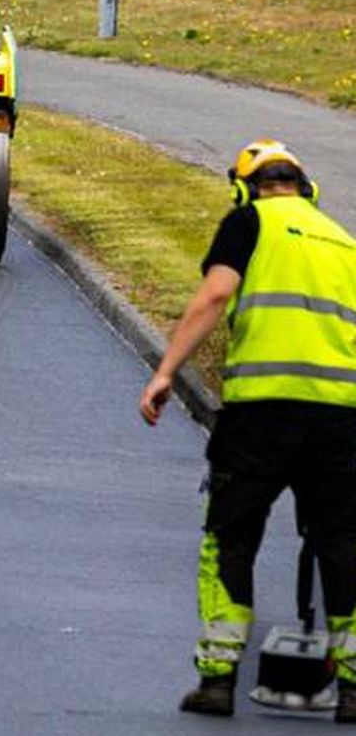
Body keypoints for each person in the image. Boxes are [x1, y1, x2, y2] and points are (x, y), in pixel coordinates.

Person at [140, 140, 356, 719]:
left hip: (260, 415)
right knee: (343, 544)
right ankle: (354, 691)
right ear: (306, 187)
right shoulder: (342, 240)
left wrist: (166, 372)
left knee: (231, 540)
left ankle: (217, 681)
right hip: (339, 417)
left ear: (244, 186)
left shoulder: (247, 221)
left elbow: (215, 294)